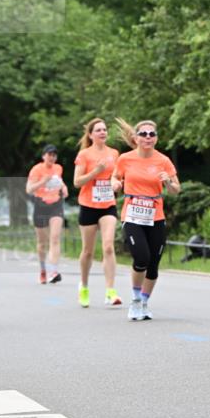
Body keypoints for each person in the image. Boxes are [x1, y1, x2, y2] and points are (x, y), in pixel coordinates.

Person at [112, 119, 181, 321]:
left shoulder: (163, 161)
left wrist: (168, 181)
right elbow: (115, 177)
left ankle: (144, 301)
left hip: (155, 216)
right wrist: (116, 183)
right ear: (136, 138)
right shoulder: (125, 159)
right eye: (144, 134)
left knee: (153, 265)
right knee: (141, 257)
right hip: (132, 214)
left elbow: (176, 190)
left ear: (156, 138)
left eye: (152, 134)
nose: (148, 137)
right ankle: (134, 300)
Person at [73, 117, 121, 308]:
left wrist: (115, 183)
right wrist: (95, 171)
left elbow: (114, 177)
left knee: (108, 246)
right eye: (98, 130)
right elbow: (77, 182)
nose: (103, 132)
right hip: (88, 205)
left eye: (104, 129)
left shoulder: (114, 153)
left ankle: (110, 291)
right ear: (91, 135)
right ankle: (84, 287)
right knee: (88, 251)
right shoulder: (84, 155)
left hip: (108, 204)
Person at [26, 145, 68, 284]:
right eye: (49, 154)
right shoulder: (37, 169)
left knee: (55, 238)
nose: (52, 157)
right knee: (42, 242)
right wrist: (42, 181)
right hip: (41, 205)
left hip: (56, 205)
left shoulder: (58, 168)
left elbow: (59, 181)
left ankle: (53, 271)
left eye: (54, 155)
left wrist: (64, 187)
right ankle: (43, 269)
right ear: (43, 156)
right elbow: (29, 189)